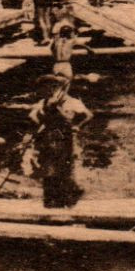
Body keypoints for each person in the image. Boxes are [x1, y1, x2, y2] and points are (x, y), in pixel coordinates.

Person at [28, 74, 91, 208]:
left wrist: (77, 126)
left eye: (46, 87)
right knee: (48, 168)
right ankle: (50, 201)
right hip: (48, 137)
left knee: (63, 168)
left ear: (54, 87)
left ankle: (66, 199)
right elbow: (33, 116)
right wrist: (42, 122)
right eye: (42, 88)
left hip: (64, 138)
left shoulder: (70, 101)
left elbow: (87, 115)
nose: (44, 91)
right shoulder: (45, 102)